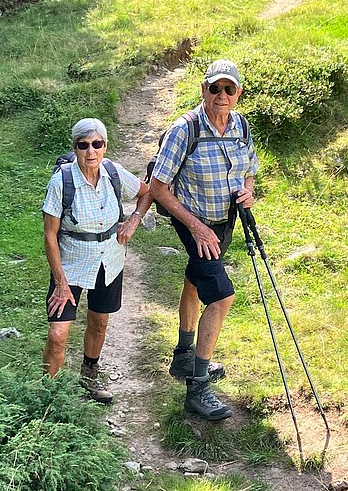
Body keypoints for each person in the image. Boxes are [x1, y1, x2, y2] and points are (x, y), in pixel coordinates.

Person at [150, 59, 259, 421]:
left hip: (224, 221)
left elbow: (248, 173)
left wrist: (247, 191)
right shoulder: (185, 128)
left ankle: (183, 357)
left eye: (229, 89)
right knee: (223, 297)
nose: (222, 96)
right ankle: (197, 388)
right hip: (195, 222)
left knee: (195, 283)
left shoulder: (241, 126)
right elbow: (158, 188)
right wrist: (196, 228)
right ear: (204, 90)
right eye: (215, 88)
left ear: (238, 94)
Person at [42, 117, 151, 404]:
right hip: (71, 265)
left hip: (109, 261)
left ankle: (89, 377)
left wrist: (133, 221)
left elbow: (146, 192)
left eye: (97, 144)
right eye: (83, 145)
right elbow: (50, 235)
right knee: (57, 334)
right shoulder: (62, 182)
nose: (91, 151)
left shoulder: (113, 172)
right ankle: (48, 398)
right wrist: (59, 282)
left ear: (104, 146)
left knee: (99, 322)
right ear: (75, 147)